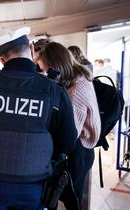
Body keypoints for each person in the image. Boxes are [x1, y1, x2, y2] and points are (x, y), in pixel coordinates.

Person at [0, 27, 78, 210]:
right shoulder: (53, 90)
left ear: (1, 59)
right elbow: (67, 143)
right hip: (34, 188)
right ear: (31, 48)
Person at [37, 42, 101, 210]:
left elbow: (70, 132)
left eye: (45, 68)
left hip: (79, 150)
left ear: (55, 65)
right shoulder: (72, 80)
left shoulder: (77, 88)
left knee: (72, 199)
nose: (44, 72)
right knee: (59, 195)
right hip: (74, 147)